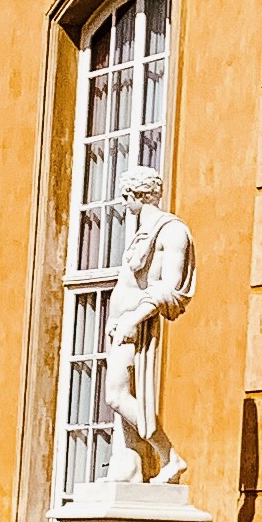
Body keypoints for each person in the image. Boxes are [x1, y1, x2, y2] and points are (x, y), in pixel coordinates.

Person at [100, 167, 197, 484]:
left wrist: (133, 318)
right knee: (120, 398)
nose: (123, 203)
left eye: (126, 196)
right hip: (121, 325)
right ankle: (131, 465)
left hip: (136, 327)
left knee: (116, 396)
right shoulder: (143, 231)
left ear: (139, 195)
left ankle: (170, 456)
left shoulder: (172, 231)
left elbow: (170, 288)